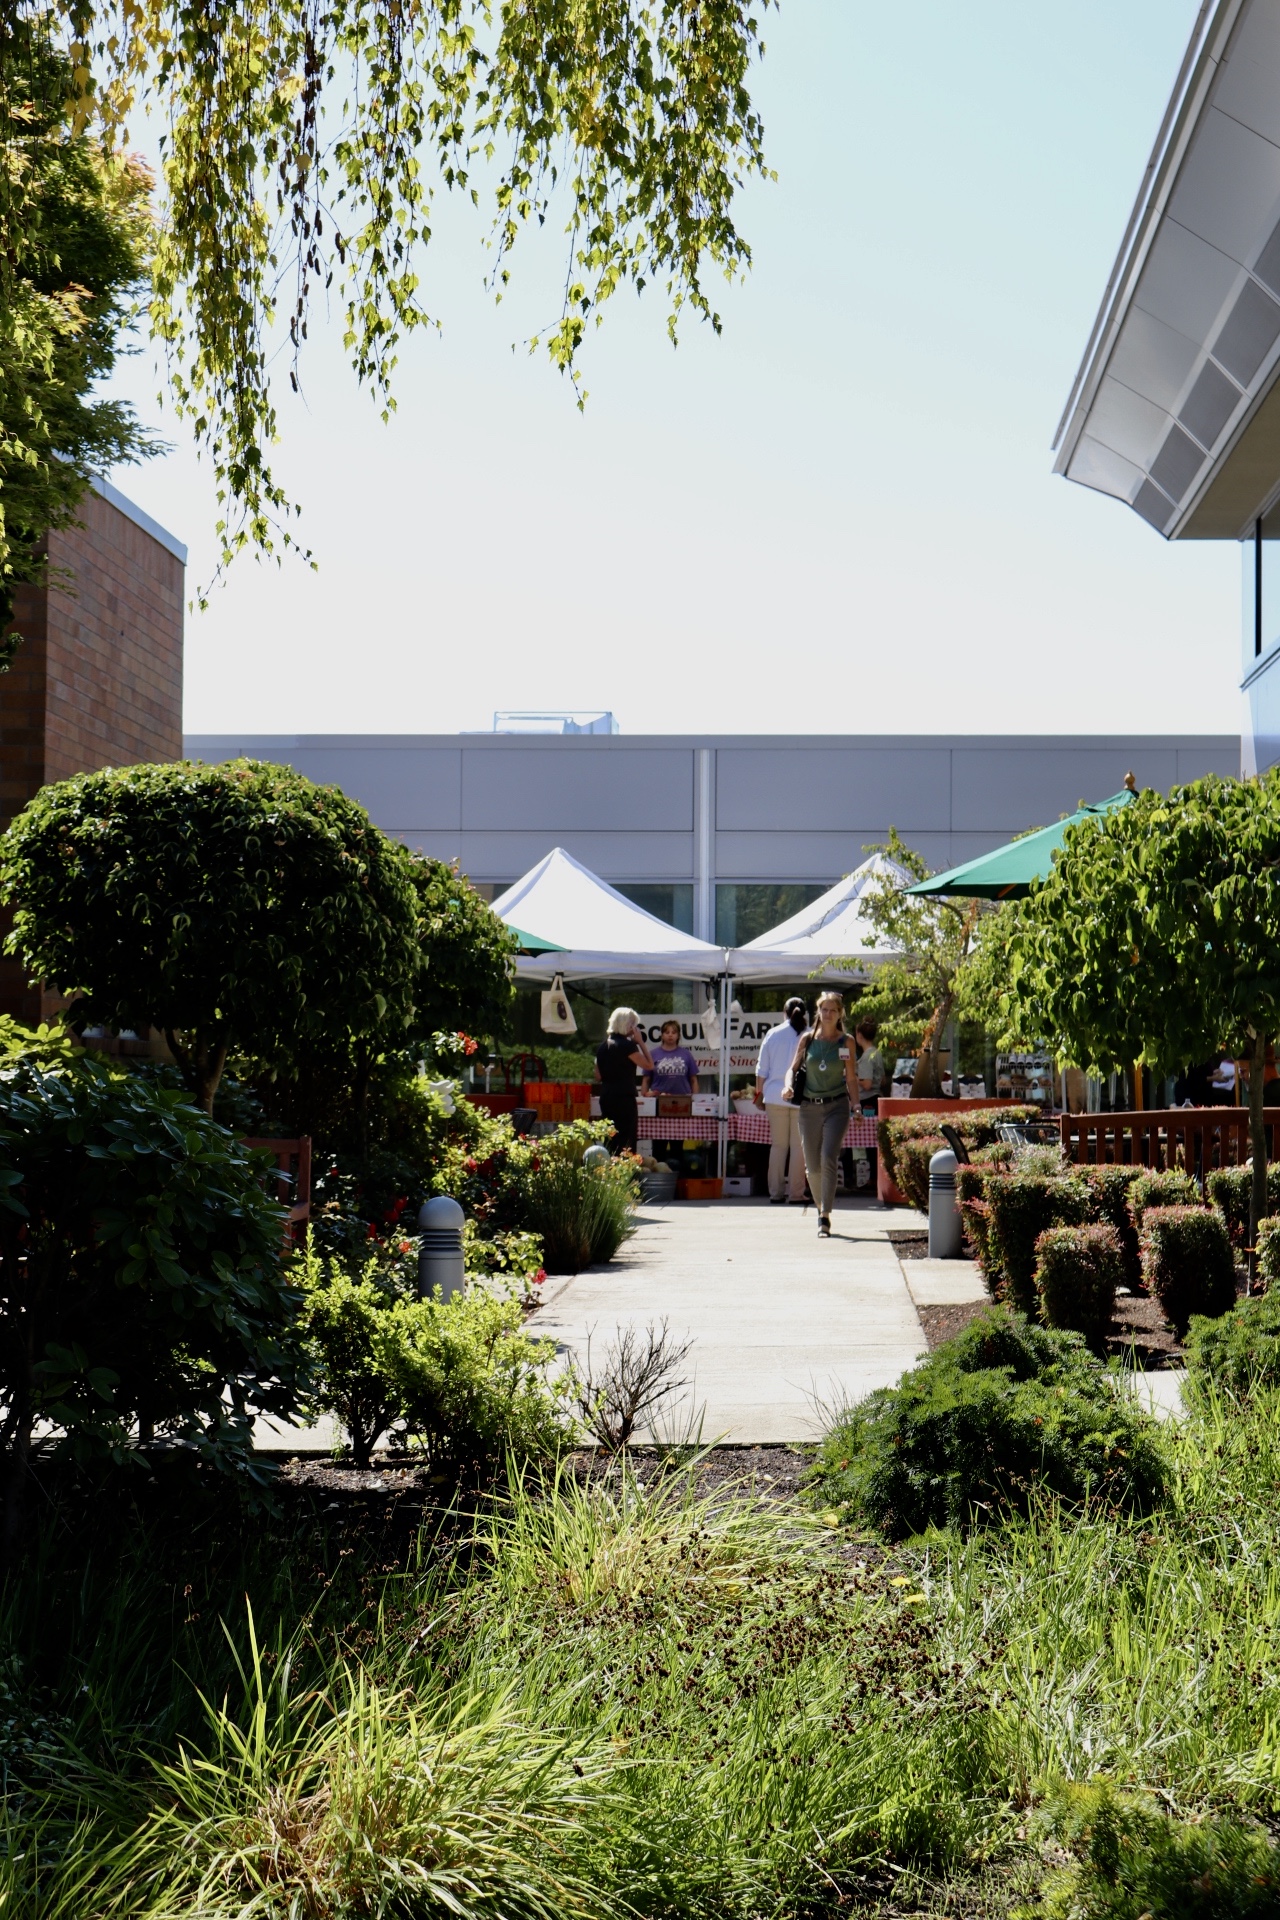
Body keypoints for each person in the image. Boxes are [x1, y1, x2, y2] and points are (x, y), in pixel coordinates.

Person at [784, 989, 860, 1237]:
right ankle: (820, 1207)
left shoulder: (846, 1041)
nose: (827, 1014)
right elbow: (792, 1069)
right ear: (818, 1011)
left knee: (829, 1157)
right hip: (809, 1107)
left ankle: (824, 1216)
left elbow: (851, 1077)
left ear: (840, 1014)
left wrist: (856, 1105)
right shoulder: (807, 1039)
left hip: (836, 1106)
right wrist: (787, 1085)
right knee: (812, 1166)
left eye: (833, 1010)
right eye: (824, 1009)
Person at [754, 997, 809, 1204]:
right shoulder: (810, 1034)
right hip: (801, 1095)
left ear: (784, 1013)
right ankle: (796, 1193)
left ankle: (775, 1193)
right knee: (798, 1147)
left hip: (775, 1095)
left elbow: (761, 1070)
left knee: (778, 1146)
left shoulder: (772, 1034)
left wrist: (760, 1095)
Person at [593, 1008, 653, 1154]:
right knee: (626, 1139)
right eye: (634, 1025)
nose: (635, 1029)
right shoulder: (627, 1046)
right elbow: (649, 1065)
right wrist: (640, 1042)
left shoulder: (602, 1047)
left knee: (611, 1137)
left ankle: (609, 1168)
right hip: (624, 1097)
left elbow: (598, 1076)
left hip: (606, 1095)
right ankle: (626, 1171)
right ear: (627, 1025)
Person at [643, 1020, 700, 1097]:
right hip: (658, 1099)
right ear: (662, 1035)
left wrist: (695, 1100)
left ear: (678, 1036)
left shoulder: (686, 1054)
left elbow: (693, 1080)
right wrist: (644, 1100)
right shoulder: (652, 1054)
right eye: (667, 1032)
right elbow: (646, 1079)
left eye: (673, 1033)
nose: (670, 1035)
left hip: (683, 1100)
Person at [854, 1016, 886, 1111]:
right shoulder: (877, 1053)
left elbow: (867, 1084)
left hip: (867, 1101)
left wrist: (854, 1077)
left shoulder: (866, 1057)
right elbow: (883, 1080)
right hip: (877, 1098)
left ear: (859, 1035)